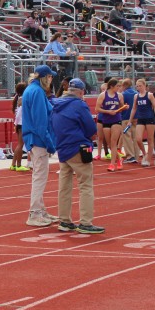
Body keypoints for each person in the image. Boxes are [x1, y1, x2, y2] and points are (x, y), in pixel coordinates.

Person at [52, 79, 104, 234]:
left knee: (64, 187)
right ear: (81, 92)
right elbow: (90, 128)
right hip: (78, 147)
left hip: (62, 148)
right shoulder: (79, 105)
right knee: (85, 185)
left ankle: (64, 221)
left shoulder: (56, 104)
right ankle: (85, 222)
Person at [22, 66, 57, 225]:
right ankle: (35, 213)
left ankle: (41, 211)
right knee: (40, 177)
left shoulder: (31, 90)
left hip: (34, 138)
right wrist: (50, 143)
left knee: (39, 175)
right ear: (45, 77)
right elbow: (41, 122)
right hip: (38, 139)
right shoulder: (37, 92)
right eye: (50, 77)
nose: (51, 80)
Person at [97, 78, 128, 172]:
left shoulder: (119, 95)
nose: (119, 88)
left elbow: (121, 107)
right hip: (106, 120)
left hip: (116, 120)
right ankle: (119, 159)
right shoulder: (103, 95)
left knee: (114, 142)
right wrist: (108, 111)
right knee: (110, 144)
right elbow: (97, 109)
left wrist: (125, 107)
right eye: (117, 86)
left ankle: (112, 164)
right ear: (111, 86)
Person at [127, 78, 155, 166]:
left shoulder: (150, 95)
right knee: (138, 139)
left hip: (150, 118)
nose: (139, 88)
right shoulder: (136, 96)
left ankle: (148, 160)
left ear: (145, 86)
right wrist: (130, 120)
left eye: (140, 86)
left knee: (150, 139)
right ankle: (145, 154)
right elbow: (134, 108)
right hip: (140, 119)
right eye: (137, 86)